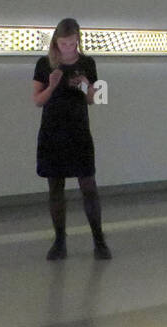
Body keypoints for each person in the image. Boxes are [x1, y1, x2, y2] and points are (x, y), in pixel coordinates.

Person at [33, 18, 110, 260]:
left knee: (88, 185)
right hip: (52, 131)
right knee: (55, 186)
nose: (68, 47)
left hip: (78, 130)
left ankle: (99, 240)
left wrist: (88, 86)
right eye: (64, 43)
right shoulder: (44, 65)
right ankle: (59, 240)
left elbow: (93, 100)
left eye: (72, 43)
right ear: (56, 41)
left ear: (78, 40)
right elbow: (37, 100)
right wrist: (53, 85)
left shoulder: (87, 63)